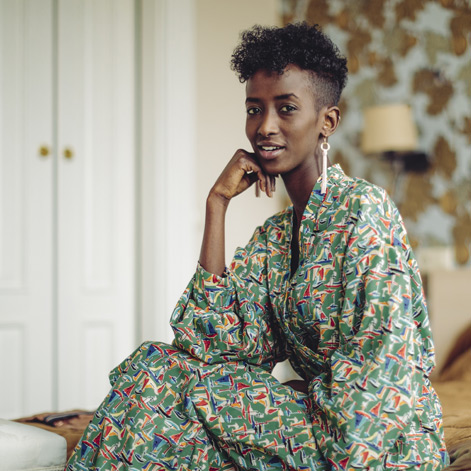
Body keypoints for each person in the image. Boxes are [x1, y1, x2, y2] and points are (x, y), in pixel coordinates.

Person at [67, 23, 448, 471]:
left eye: (286, 108)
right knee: (158, 370)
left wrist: (344, 449)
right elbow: (205, 344)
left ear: (328, 121)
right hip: (312, 423)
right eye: (254, 109)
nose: (265, 127)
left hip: (375, 439)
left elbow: (384, 364)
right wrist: (217, 203)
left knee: (159, 381)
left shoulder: (364, 210)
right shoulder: (275, 238)